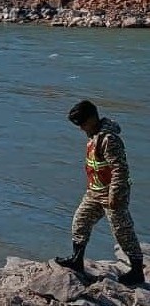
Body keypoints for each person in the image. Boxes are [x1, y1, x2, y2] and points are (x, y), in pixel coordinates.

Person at [55, 100, 144, 285]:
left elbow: (120, 169)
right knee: (80, 222)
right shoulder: (93, 135)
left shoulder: (108, 140)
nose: (81, 128)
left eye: (82, 123)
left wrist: (115, 194)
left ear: (92, 118)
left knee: (122, 231)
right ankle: (77, 260)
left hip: (112, 193)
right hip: (94, 191)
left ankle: (137, 270)